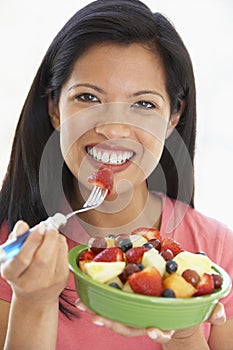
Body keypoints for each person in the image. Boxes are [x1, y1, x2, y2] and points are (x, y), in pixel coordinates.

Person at [0, 0, 232, 349]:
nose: (113, 129)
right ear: (54, 109)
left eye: (143, 104)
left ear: (173, 117)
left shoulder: (217, 251)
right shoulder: (11, 254)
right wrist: (32, 303)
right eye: (88, 97)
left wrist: (183, 332)